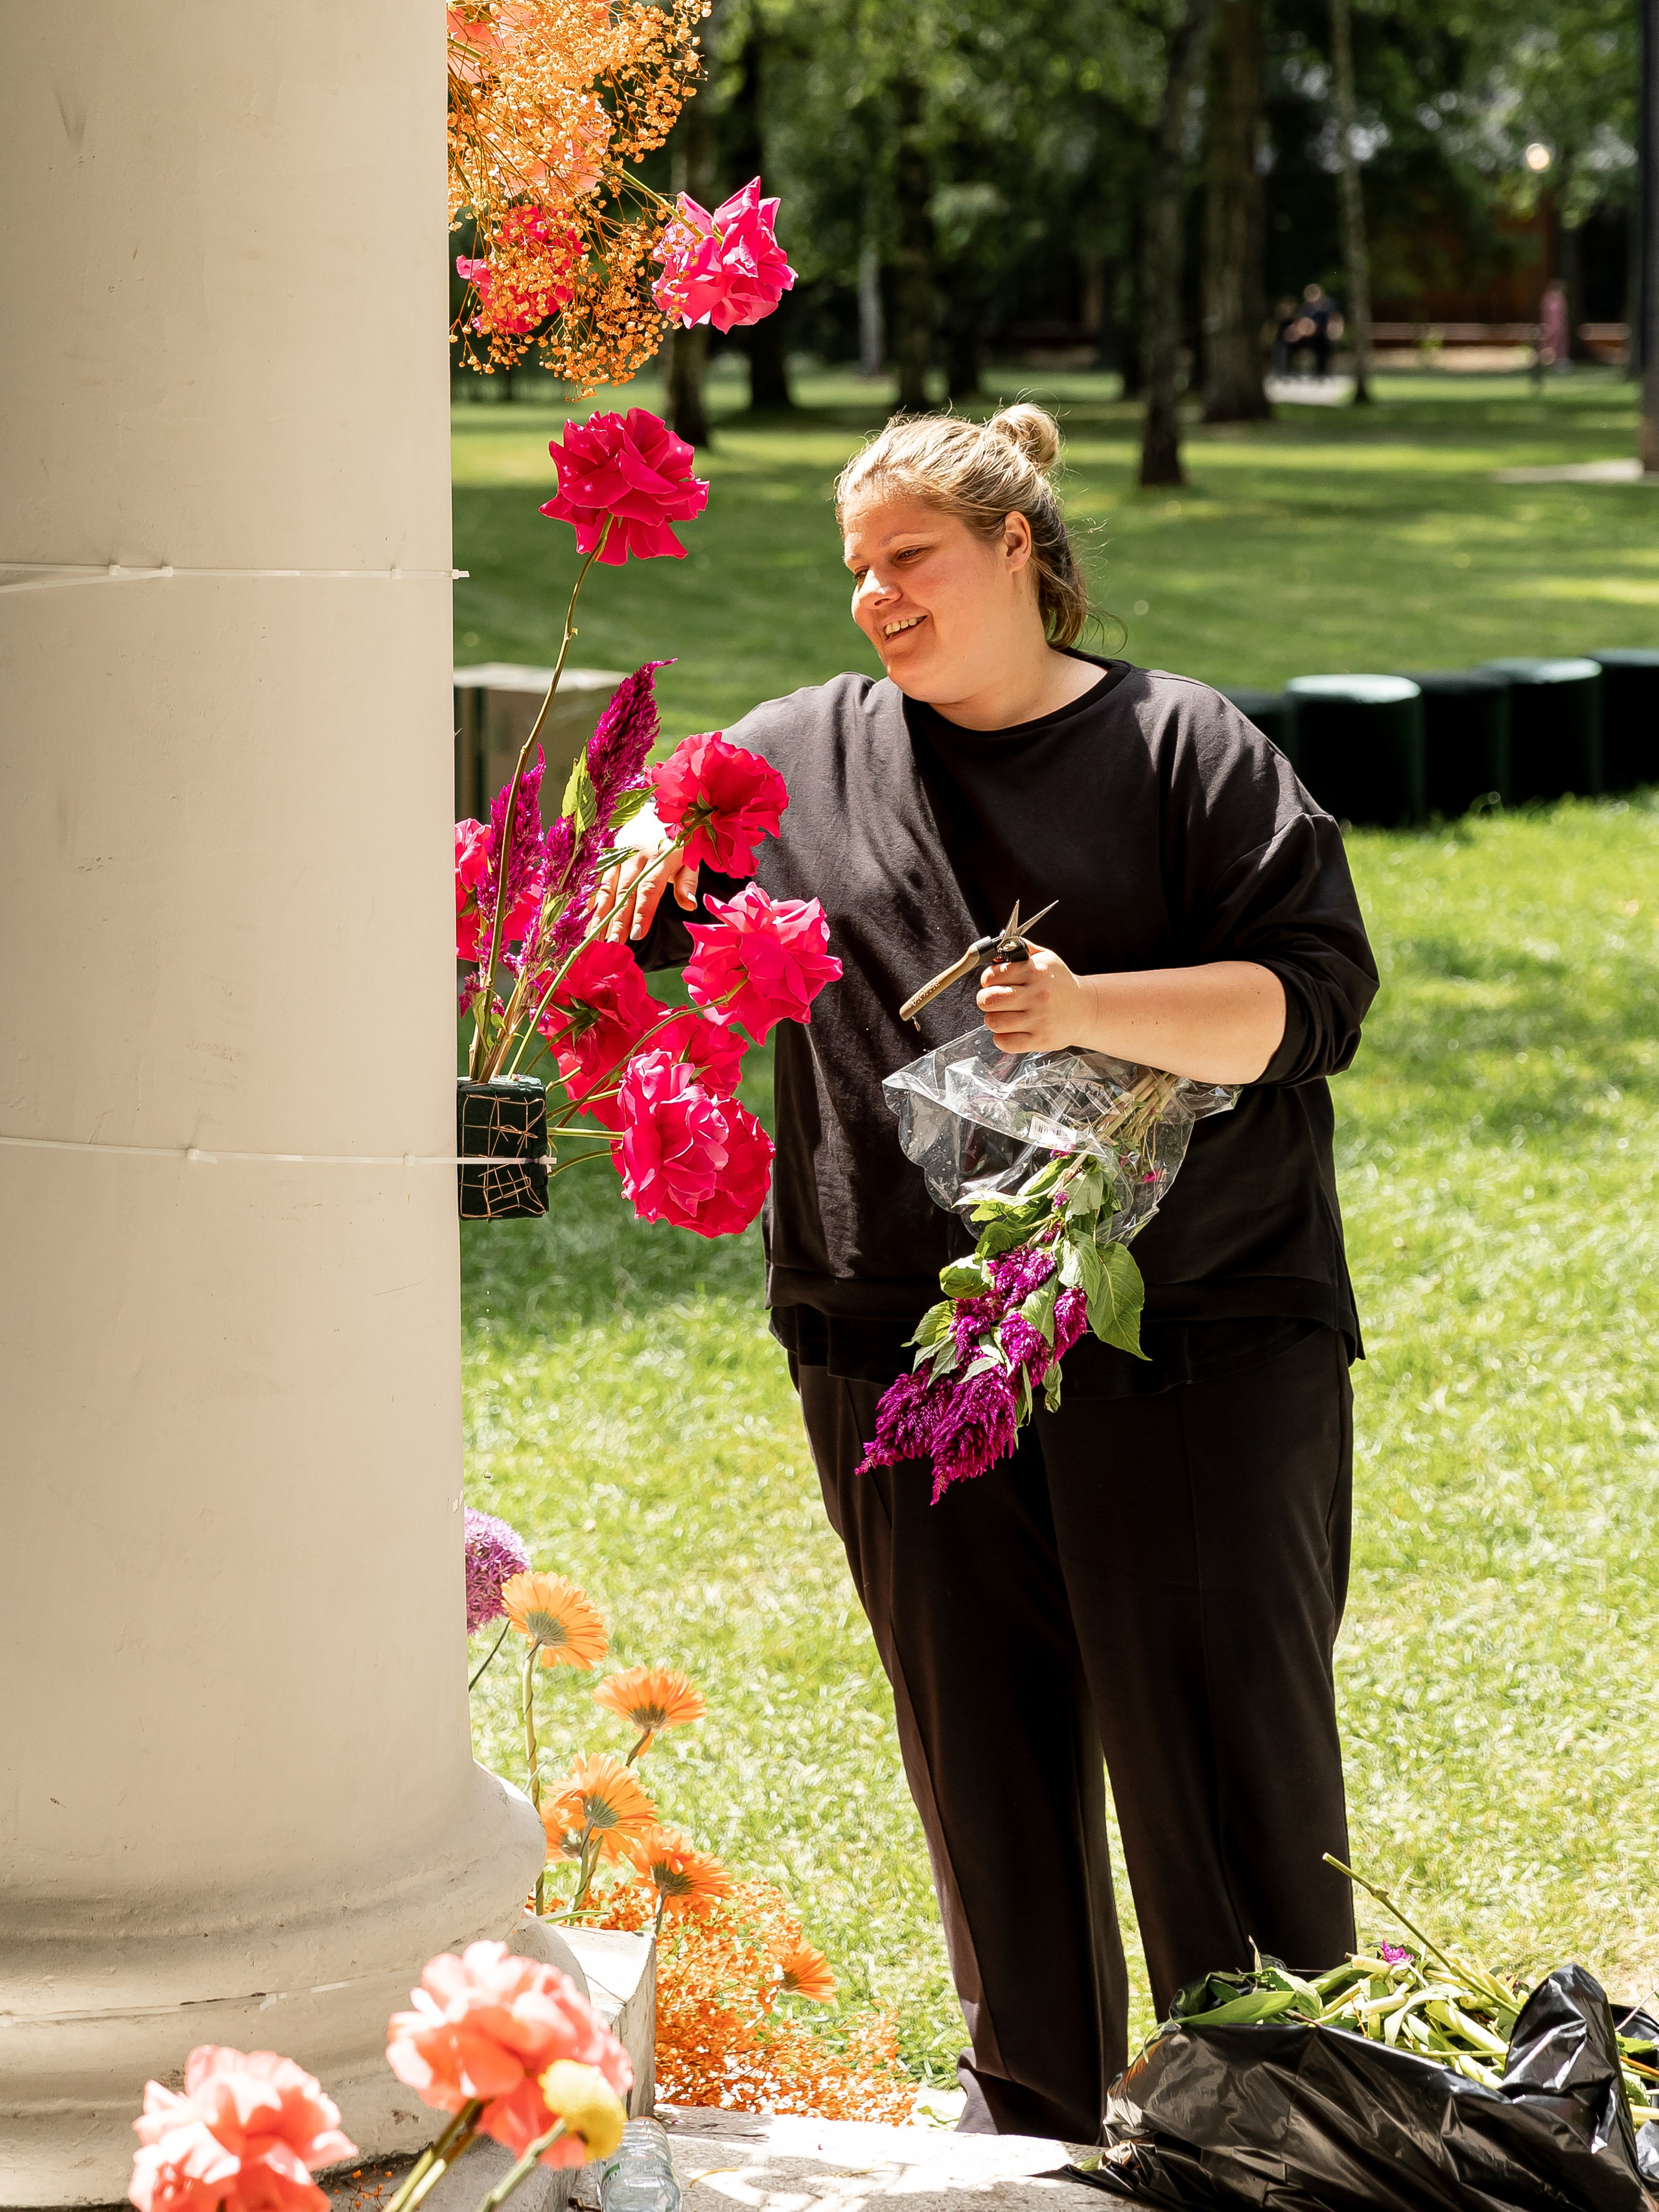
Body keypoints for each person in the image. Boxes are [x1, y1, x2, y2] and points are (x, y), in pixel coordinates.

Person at [601, 405, 1378, 2143]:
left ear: (1018, 549)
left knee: (1224, 1778)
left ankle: (1273, 2129)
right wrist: (647, 843)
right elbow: (633, 913)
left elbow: (1310, 1002)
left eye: (912, 559)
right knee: (992, 1782)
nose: (876, 597)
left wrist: (1093, 1008)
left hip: (1193, 1336)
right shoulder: (799, 755)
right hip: (896, 1340)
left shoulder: (1185, 749)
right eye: (856, 570)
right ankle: (1029, 2130)